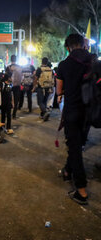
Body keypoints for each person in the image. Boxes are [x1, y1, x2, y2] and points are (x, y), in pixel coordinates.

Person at [56, 34, 92, 205]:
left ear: (68, 47)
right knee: (78, 144)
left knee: (75, 148)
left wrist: (60, 95)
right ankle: (67, 171)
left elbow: (59, 90)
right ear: (82, 44)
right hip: (90, 112)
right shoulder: (93, 60)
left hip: (72, 111)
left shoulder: (64, 64)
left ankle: (82, 190)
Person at [33, 57, 54, 121]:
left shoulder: (39, 69)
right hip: (48, 87)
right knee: (44, 101)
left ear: (42, 62)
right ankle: (43, 115)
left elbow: (36, 78)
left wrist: (34, 87)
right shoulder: (50, 69)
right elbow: (53, 79)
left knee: (40, 102)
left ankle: (45, 112)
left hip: (41, 87)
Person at [6, 55, 23, 119]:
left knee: (8, 100)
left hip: (10, 85)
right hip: (17, 85)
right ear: (16, 59)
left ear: (11, 60)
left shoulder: (8, 67)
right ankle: (14, 115)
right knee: (16, 101)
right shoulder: (20, 67)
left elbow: (6, 77)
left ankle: (8, 114)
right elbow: (22, 76)